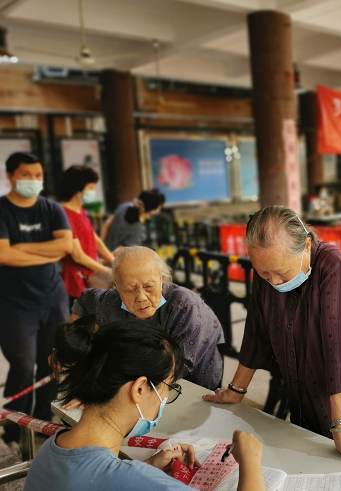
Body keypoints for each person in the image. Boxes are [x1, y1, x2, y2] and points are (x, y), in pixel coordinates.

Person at [204, 206, 341, 464]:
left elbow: (340, 352)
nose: (273, 281)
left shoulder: (335, 268)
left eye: (281, 273)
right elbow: (257, 331)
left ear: (306, 246)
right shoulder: (267, 269)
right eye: (264, 273)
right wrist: (236, 390)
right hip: (305, 396)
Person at [26, 317, 266, 491]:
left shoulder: (50, 450)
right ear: (139, 389)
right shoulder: (141, 482)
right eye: (168, 386)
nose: (165, 397)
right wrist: (251, 460)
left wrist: (147, 467)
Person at [71, 246, 224, 391]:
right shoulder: (110, 302)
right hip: (140, 374)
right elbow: (83, 302)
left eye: (149, 286)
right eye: (130, 289)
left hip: (196, 377)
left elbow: (176, 367)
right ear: (116, 286)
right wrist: (79, 346)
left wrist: (99, 390)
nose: (141, 297)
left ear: (161, 280)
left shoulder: (184, 306)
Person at [0, 151, 73, 446]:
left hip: (53, 300)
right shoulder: (2, 210)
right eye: (26, 175)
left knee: (52, 366)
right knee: (22, 368)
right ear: (11, 176)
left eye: (38, 175)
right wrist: (46, 250)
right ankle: (13, 430)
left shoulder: (51, 208)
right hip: (14, 305)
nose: (33, 180)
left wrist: (21, 248)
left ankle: (43, 423)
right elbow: (3, 254)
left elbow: (65, 246)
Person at [58, 165, 115, 305]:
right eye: (90, 188)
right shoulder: (63, 214)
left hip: (89, 277)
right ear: (77, 189)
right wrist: (108, 271)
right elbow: (78, 256)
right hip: (74, 282)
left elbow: (95, 240)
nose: (92, 192)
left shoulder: (79, 210)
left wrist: (115, 263)